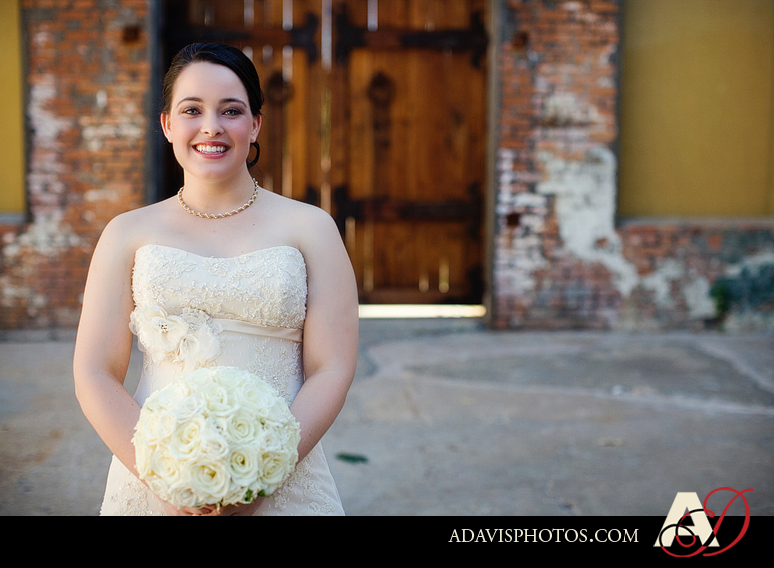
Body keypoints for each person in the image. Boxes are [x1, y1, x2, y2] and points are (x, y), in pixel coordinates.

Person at [73, 43, 359, 516]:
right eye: (192, 110)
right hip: (152, 475)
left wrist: (264, 473)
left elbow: (332, 368)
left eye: (231, 110)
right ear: (167, 125)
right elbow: (94, 373)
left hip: (285, 472)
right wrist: (169, 481)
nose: (212, 127)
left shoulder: (311, 228)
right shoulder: (127, 232)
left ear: (255, 125)